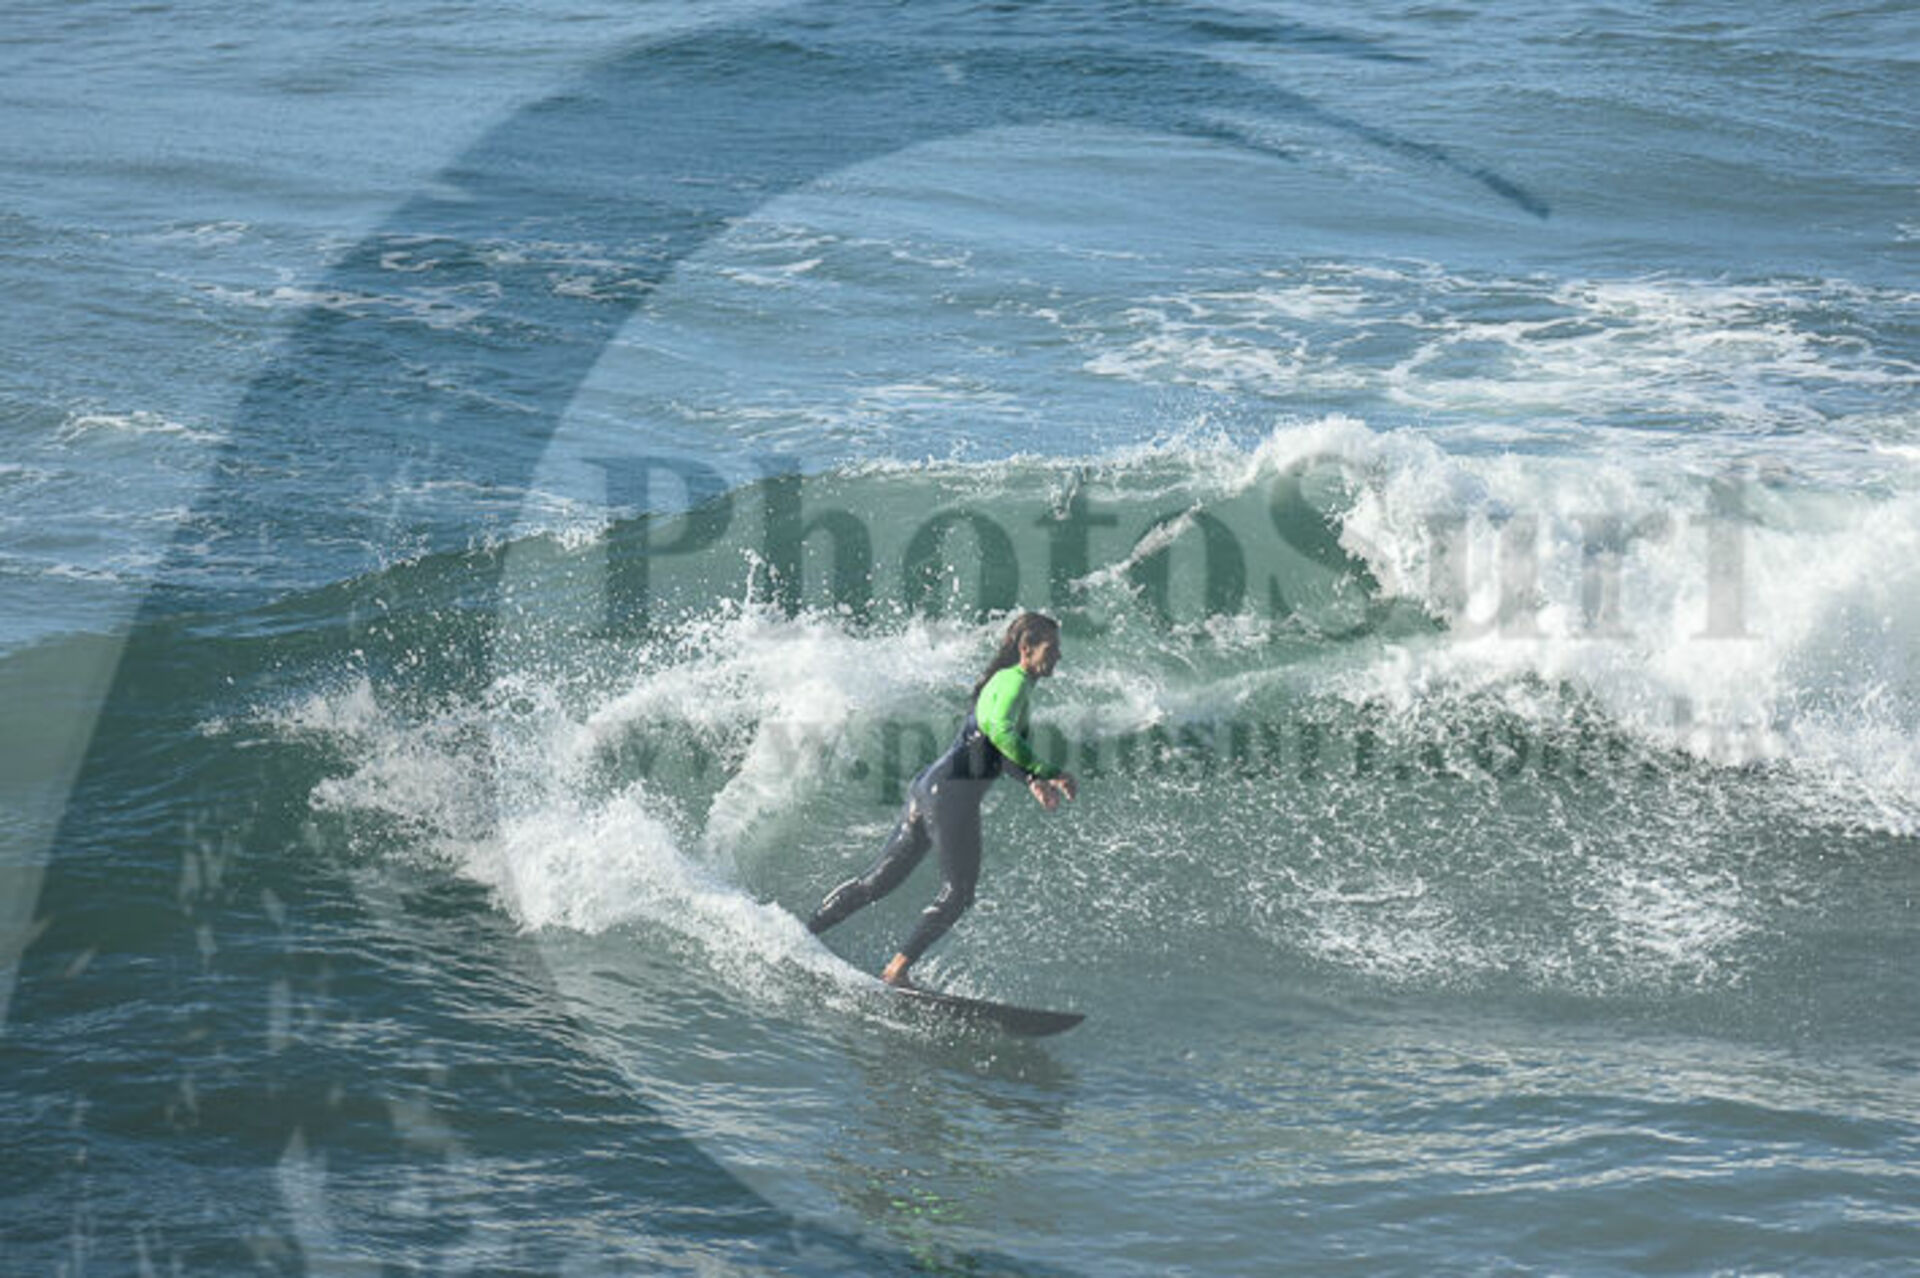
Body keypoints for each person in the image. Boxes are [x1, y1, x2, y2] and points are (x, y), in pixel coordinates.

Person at [807, 611, 1078, 988]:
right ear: (1027, 648)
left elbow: (992, 746)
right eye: (1052, 648)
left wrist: (1030, 778)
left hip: (929, 787)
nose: (1059, 655)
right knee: (958, 893)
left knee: (876, 883)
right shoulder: (1015, 684)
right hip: (952, 798)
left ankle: (805, 933)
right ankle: (897, 970)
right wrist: (1048, 770)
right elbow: (1001, 733)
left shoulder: (1002, 682)